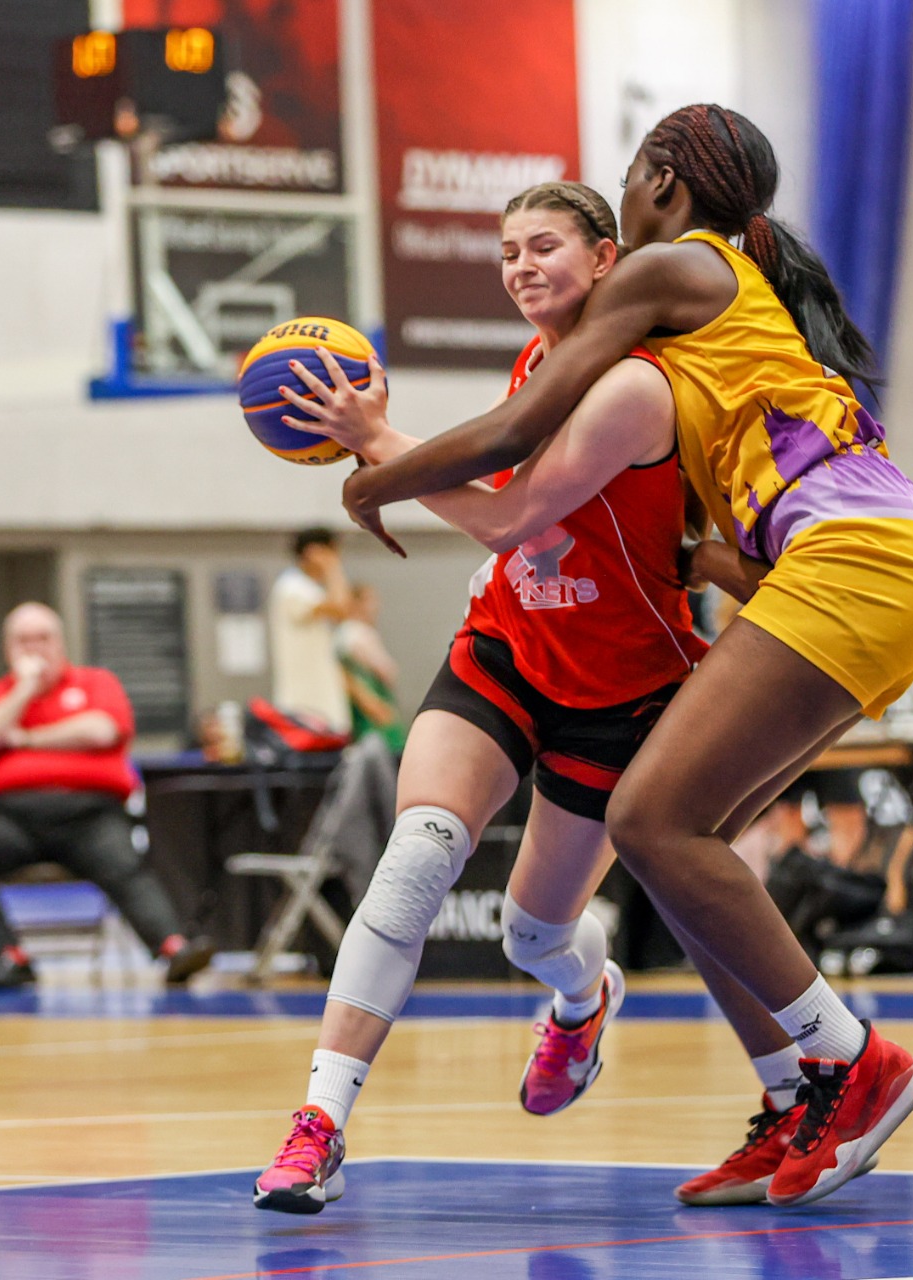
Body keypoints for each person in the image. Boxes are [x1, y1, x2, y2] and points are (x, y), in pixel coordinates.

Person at [332, 105, 913, 1209]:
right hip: (882, 561)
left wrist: (376, 472)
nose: (619, 202)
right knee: (684, 846)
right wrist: (698, 554)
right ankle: (792, 1095)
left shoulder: (674, 265)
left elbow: (510, 440)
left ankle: (850, 1057)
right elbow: (728, 542)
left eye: (625, 180)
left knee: (650, 821)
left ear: (662, 184)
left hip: (857, 560)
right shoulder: (725, 315)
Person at [252, 179, 851, 1215]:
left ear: (607, 259)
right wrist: (379, 448)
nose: (521, 267)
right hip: (505, 650)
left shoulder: (638, 385)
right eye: (507, 252)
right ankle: (319, 1124)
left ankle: (584, 994)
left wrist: (378, 443)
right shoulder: (539, 360)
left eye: (544, 247)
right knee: (417, 856)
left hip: (618, 692)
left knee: (533, 933)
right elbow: (509, 519)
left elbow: (505, 512)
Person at [0, 603, 214, 991]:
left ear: (61, 642)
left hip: (89, 815)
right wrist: (23, 691)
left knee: (123, 860)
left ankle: (172, 948)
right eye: (23, 640)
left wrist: (25, 738)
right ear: (7, 648)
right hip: (9, 818)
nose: (35, 648)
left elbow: (101, 730)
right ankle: (6, 955)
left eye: (43, 638)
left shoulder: (95, 683)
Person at [269, 528, 357, 735]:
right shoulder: (292, 587)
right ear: (313, 551)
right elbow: (341, 609)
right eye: (333, 552)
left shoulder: (310, 589)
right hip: (304, 704)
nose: (338, 558)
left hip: (320, 699)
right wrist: (333, 569)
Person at [336, 584, 406, 755]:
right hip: (370, 706)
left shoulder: (345, 633)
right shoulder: (356, 633)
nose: (376, 606)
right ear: (357, 603)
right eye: (370, 600)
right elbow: (384, 669)